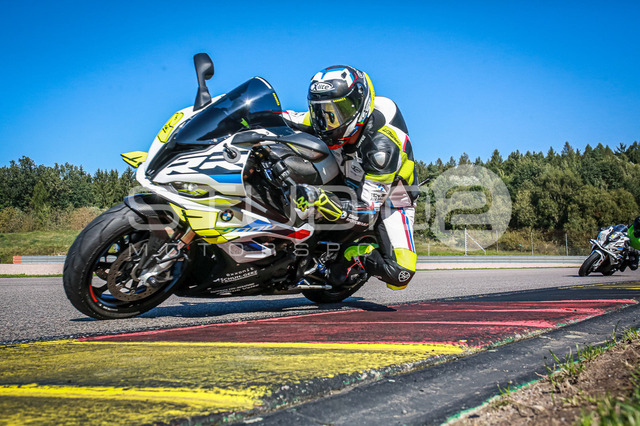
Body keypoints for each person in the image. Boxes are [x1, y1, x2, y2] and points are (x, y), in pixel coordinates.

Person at [281, 65, 418, 290]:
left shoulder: (382, 148)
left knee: (399, 274)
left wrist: (323, 200)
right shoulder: (321, 120)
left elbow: (367, 213)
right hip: (348, 180)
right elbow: (280, 116)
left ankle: (355, 251)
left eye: (339, 110)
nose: (328, 121)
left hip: (391, 200)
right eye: (321, 110)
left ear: (360, 105)